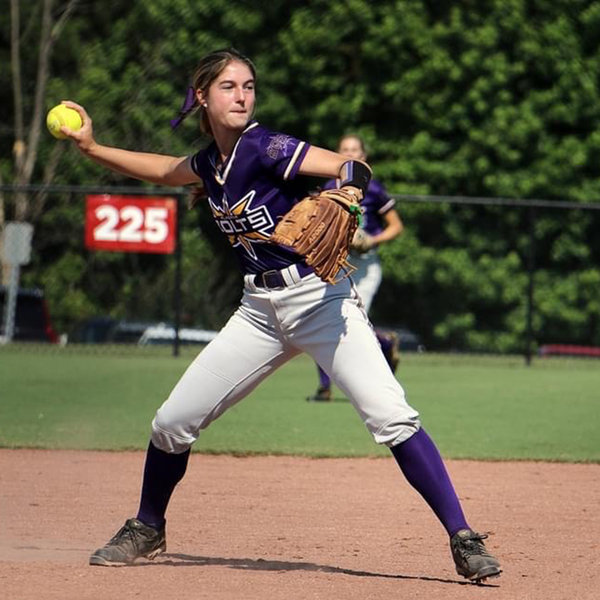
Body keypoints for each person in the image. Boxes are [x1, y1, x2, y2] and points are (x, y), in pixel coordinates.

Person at [61, 48, 500, 582]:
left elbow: (352, 165)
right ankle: (148, 527)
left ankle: (464, 539)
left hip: (321, 301)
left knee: (392, 417)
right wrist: (90, 147)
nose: (242, 95)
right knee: (172, 422)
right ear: (202, 96)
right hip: (259, 311)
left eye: (248, 85)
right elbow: (160, 170)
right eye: (228, 87)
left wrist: (351, 187)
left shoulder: (265, 145)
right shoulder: (210, 164)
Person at [307, 134, 403, 402]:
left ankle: (383, 346)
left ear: (364, 157)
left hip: (364, 267)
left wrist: (372, 239)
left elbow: (396, 226)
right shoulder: (328, 187)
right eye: (344, 150)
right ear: (337, 154)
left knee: (354, 323)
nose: (350, 154)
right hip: (333, 263)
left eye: (355, 150)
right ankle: (325, 387)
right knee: (324, 318)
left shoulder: (372, 189)